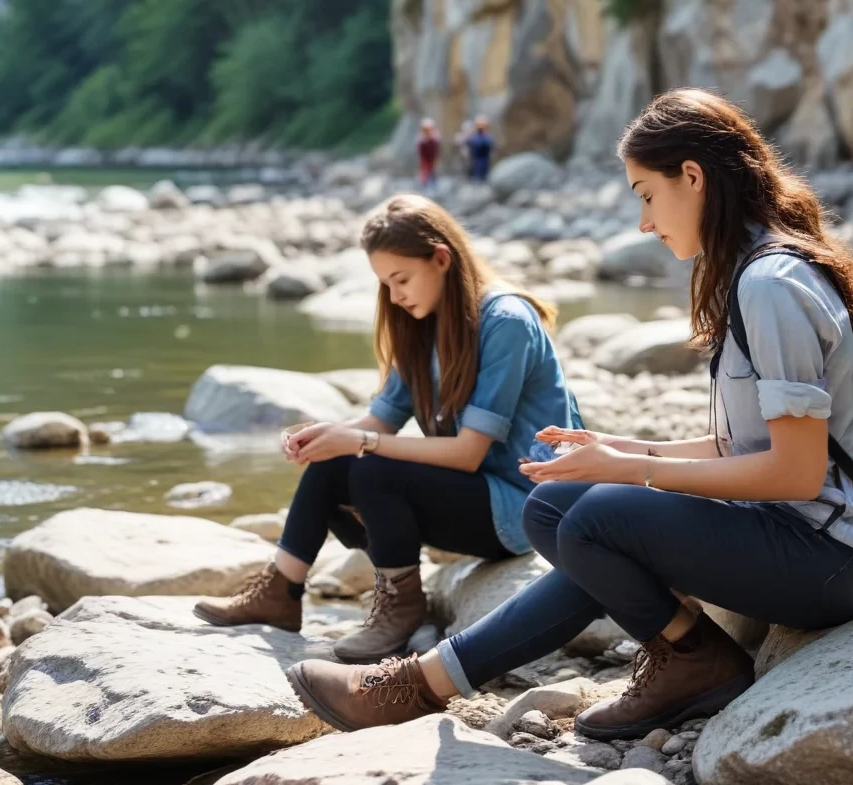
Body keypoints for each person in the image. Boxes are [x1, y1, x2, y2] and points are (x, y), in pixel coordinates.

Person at [283, 87, 853, 739]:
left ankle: (428, 684)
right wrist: (618, 449)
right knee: (556, 505)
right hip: (790, 533)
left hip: (828, 558)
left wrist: (633, 471)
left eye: (645, 193)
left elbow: (796, 473)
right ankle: (686, 655)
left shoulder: (770, 286)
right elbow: (742, 446)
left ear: (692, 177)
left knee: (600, 516)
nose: (644, 222)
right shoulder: (757, 274)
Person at [195, 194, 581, 665]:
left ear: (441, 258)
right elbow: (379, 421)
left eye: (401, 280)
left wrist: (360, 441)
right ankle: (281, 589)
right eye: (386, 284)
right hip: (473, 496)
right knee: (335, 458)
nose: (395, 296)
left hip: (524, 507)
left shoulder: (506, 322)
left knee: (375, 470)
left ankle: (401, 611)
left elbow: (467, 454)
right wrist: (323, 436)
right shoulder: (420, 324)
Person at [466, 115, 494, 181]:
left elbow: (491, 144)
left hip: (484, 161)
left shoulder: (486, 137)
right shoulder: (475, 137)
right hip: (476, 162)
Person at [416, 118, 441, 189]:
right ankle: (424, 186)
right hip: (425, 159)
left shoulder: (435, 138)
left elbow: (437, 149)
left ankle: (434, 186)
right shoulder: (421, 140)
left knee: (433, 172)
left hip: (432, 158)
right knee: (425, 173)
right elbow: (420, 151)